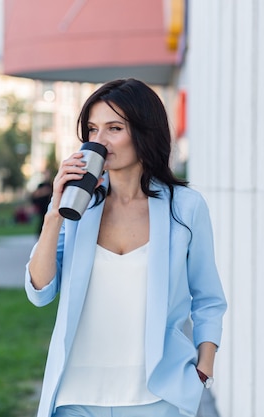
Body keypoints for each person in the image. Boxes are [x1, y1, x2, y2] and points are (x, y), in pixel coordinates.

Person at [25, 78, 227, 417]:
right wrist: (55, 213)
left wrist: (203, 370)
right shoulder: (78, 207)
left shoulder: (186, 207)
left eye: (114, 128)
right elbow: (40, 291)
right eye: (92, 129)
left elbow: (208, 299)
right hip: (75, 398)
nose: (99, 141)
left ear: (144, 132)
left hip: (157, 398)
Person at [31, 171, 53, 235]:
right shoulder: (41, 185)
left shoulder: (51, 184)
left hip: (49, 204)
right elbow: (36, 195)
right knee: (42, 220)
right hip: (42, 205)